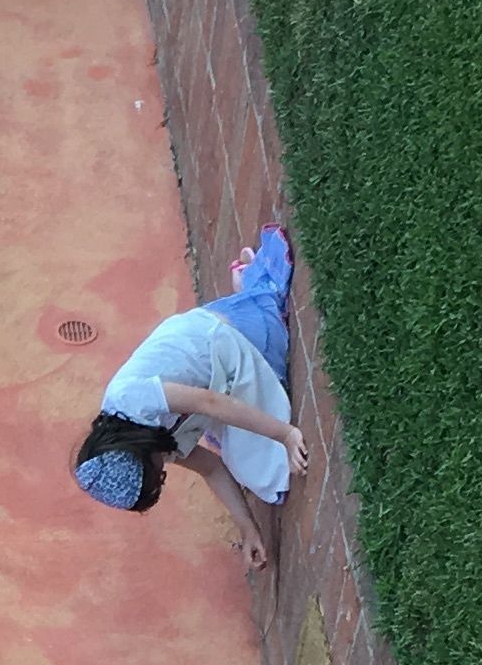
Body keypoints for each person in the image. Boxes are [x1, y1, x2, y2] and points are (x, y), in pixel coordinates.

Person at [70, 228, 307, 571]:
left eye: (154, 472)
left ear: (137, 454)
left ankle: (254, 290)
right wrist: (248, 528)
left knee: (273, 452)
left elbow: (210, 403)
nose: (161, 469)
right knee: (263, 476)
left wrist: (286, 434)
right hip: (212, 382)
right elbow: (210, 467)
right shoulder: (147, 443)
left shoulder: (129, 399)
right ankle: (249, 296)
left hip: (218, 341)